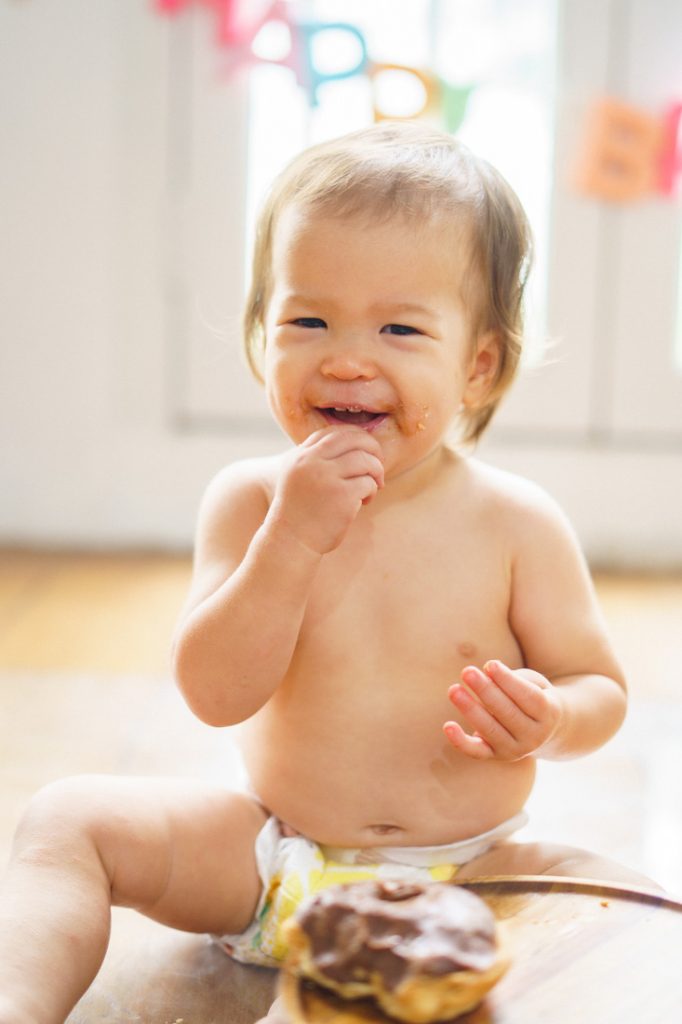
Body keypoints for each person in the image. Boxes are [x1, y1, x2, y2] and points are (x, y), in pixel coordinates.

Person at [0, 122, 653, 1024]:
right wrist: (291, 541)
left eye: (398, 326)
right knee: (67, 821)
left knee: (630, 903)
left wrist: (550, 718)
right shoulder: (248, 502)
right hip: (274, 858)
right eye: (307, 319)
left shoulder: (516, 523)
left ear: (478, 364)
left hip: (471, 875)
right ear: (260, 335)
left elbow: (600, 689)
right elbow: (217, 694)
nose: (346, 356)